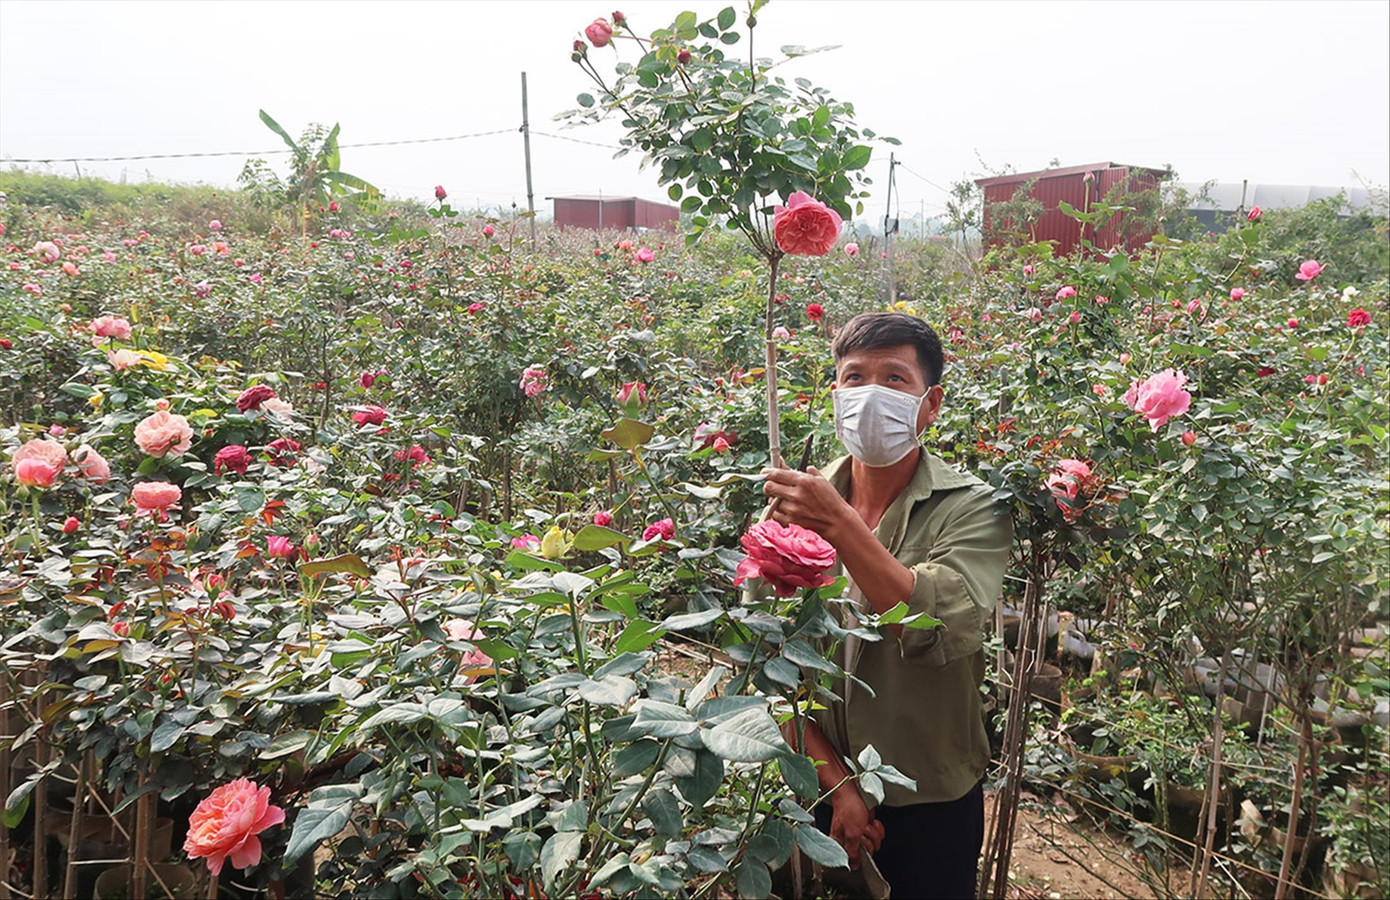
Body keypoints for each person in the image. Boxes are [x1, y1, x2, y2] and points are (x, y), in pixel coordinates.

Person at [758, 312, 1012, 899]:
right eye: (854, 378)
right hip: (815, 784)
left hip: (927, 799)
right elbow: (764, 662)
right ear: (834, 395)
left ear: (931, 403)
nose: (871, 394)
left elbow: (935, 631)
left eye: (895, 379)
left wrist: (842, 525)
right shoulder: (797, 502)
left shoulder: (973, 508)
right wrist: (836, 784)